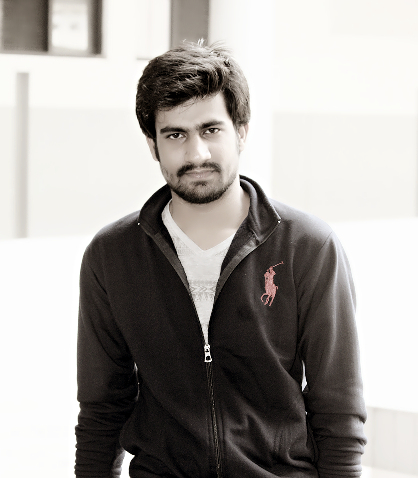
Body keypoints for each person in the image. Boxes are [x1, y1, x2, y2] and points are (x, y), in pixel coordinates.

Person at [75, 42, 366, 478]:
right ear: (153, 145)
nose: (197, 154)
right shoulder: (113, 254)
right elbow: (103, 407)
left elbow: (338, 409)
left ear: (241, 132)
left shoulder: (307, 246)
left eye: (211, 129)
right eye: (175, 135)